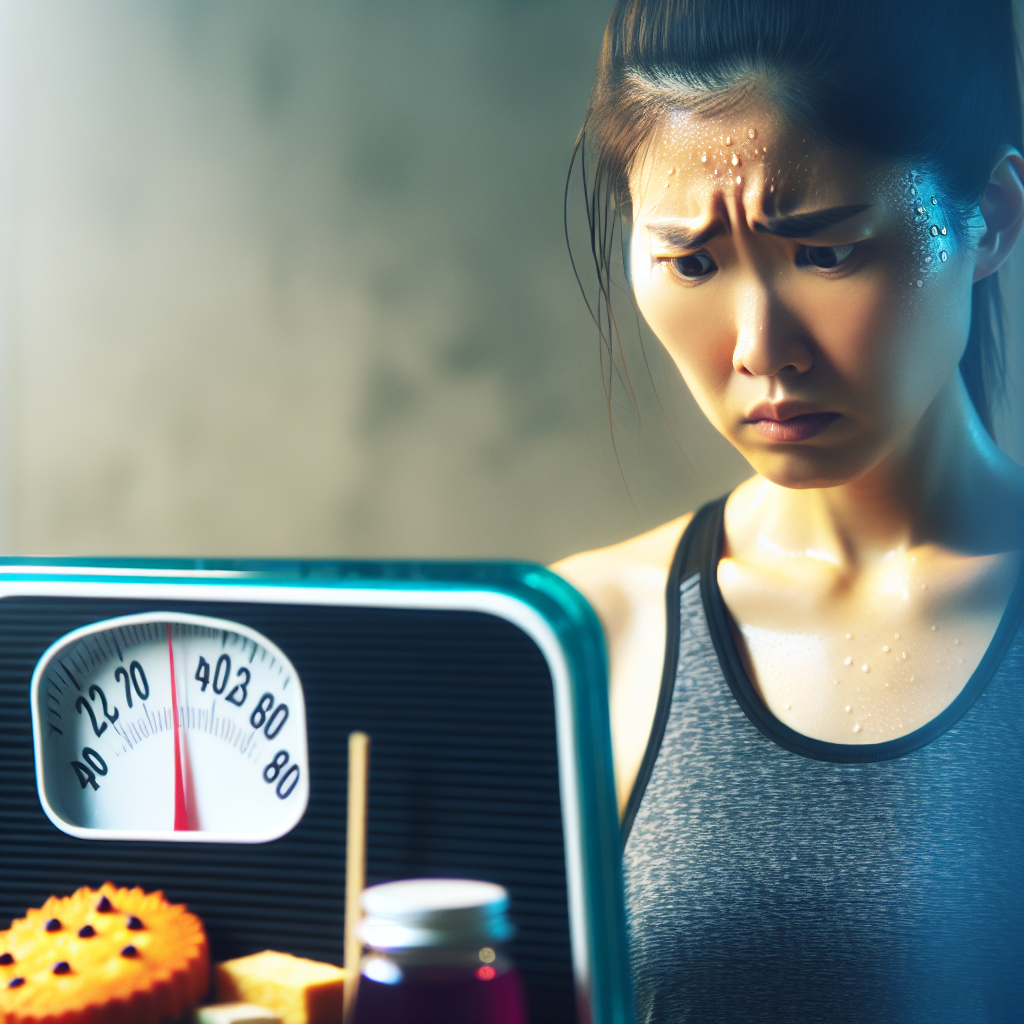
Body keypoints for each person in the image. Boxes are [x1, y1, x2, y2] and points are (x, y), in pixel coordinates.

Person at [552, 2, 1024, 1021]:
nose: (762, 348)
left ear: (986, 218)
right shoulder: (586, 636)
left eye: (826, 251)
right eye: (691, 262)